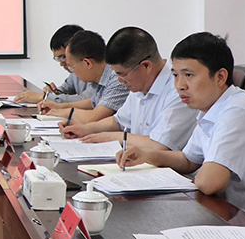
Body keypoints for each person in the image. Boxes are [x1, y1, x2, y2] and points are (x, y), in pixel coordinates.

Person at [119, 32, 245, 235]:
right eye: (175, 75)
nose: (180, 85)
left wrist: (194, 176)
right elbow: (188, 160)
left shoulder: (238, 110)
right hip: (232, 218)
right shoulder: (211, 108)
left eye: (189, 75)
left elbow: (210, 183)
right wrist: (147, 155)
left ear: (220, 77)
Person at [61, 27, 195, 151]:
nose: (120, 80)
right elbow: (118, 121)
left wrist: (112, 137)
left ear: (146, 66)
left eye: (123, 74)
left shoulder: (179, 90)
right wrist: (85, 129)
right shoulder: (139, 85)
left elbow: (160, 145)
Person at [38, 30, 130, 125]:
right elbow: (93, 102)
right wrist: (59, 106)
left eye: (72, 67)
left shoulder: (117, 79)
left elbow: (93, 117)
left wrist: (64, 112)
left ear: (87, 63)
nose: (72, 72)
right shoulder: (100, 77)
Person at [14, 24, 100, 104]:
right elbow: (65, 90)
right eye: (58, 58)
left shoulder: (98, 72)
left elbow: (87, 100)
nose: (62, 64)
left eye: (64, 57)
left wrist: (45, 97)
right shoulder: (75, 72)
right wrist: (54, 92)